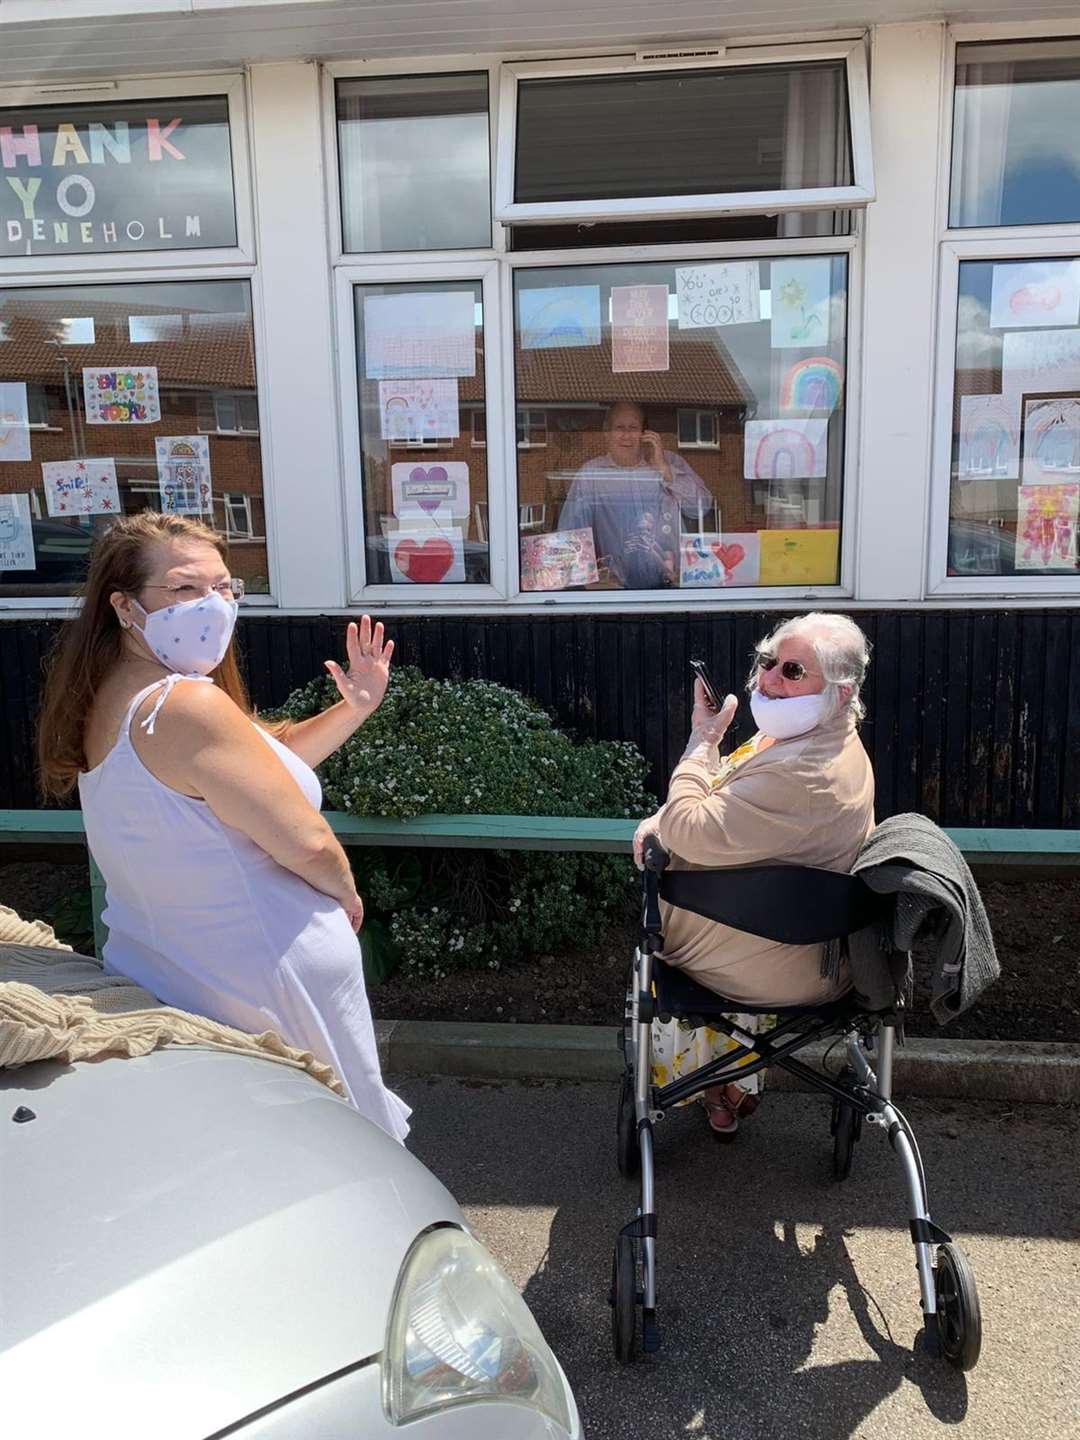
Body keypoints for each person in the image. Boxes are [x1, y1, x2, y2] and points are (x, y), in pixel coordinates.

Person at [35, 512, 410, 1143]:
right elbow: (310, 842)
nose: (212, 606)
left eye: (224, 587)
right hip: (263, 988)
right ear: (124, 607)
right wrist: (344, 892)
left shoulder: (119, 697)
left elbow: (264, 770)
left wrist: (356, 707)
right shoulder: (184, 705)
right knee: (327, 1155)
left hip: (184, 973)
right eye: (185, 589)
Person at [632, 612, 875, 1137]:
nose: (769, 679)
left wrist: (700, 741)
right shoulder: (816, 741)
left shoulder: (803, 770)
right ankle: (728, 1083)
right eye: (768, 662)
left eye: (793, 671)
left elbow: (691, 823)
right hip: (791, 939)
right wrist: (667, 818)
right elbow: (719, 795)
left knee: (656, 936)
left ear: (840, 688)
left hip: (766, 957)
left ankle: (710, 1080)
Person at [558, 401, 712, 588]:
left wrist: (664, 469)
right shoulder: (591, 474)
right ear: (606, 433)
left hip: (674, 587)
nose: (626, 435)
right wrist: (590, 581)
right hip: (617, 594)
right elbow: (570, 536)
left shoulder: (668, 461)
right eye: (619, 428)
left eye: (633, 428)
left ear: (644, 434)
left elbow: (701, 508)